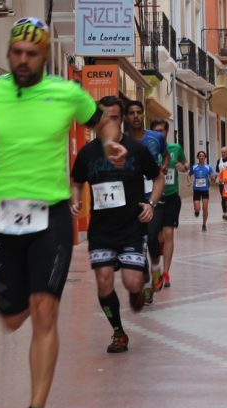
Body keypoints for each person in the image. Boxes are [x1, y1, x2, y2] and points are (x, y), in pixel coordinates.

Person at [0, 17, 126, 408]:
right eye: (17, 53)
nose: (23, 60)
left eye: (31, 54)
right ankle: (23, 300)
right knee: (13, 319)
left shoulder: (66, 93)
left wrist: (109, 141)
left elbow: (101, 120)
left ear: (44, 55)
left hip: (52, 215)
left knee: (45, 312)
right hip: (3, 215)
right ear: (9, 54)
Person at [71, 96, 165, 353]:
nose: (107, 122)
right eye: (102, 117)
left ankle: (138, 284)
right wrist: (76, 200)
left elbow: (158, 178)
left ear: (121, 119)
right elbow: (76, 181)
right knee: (103, 281)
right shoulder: (88, 153)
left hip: (131, 227)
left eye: (113, 117)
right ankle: (118, 332)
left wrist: (151, 204)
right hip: (101, 230)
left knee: (133, 284)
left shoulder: (135, 149)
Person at [123, 100, 169, 304]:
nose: (134, 116)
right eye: (131, 113)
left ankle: (156, 268)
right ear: (126, 117)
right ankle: (145, 280)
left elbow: (166, 155)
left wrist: (163, 168)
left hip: (154, 194)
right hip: (133, 197)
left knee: (151, 236)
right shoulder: (122, 141)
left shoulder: (156, 138)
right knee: (137, 243)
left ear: (143, 116)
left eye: (138, 112)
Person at [150, 119, 189, 288]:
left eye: (162, 130)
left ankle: (165, 273)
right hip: (154, 198)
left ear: (167, 132)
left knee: (168, 234)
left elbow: (186, 164)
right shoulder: (148, 149)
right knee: (155, 237)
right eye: (156, 130)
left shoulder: (176, 149)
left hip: (172, 197)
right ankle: (156, 265)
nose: (159, 133)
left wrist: (183, 166)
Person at [188, 150, 217, 231]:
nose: (201, 157)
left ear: (205, 157)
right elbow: (189, 175)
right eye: (200, 156)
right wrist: (189, 181)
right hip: (196, 190)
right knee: (197, 208)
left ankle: (204, 224)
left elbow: (213, 176)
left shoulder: (208, 167)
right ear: (198, 157)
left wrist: (213, 178)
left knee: (205, 208)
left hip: (205, 190)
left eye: (203, 156)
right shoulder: (194, 167)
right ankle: (196, 211)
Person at [216, 147, 227, 220]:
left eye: (224, 152)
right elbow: (217, 171)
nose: (223, 154)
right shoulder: (219, 161)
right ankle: (224, 212)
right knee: (223, 198)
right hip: (222, 183)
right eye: (222, 152)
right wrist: (217, 177)